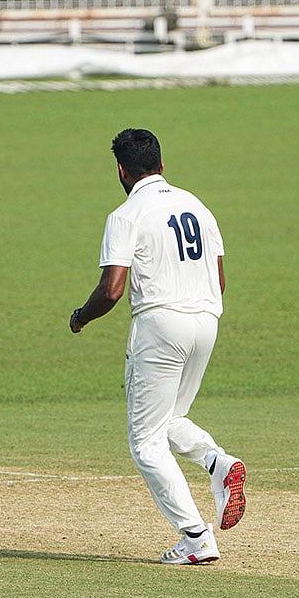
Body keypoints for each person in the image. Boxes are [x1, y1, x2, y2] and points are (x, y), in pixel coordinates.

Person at [69, 128, 246, 564]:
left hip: (161, 324)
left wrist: (79, 317)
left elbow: (112, 289)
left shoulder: (126, 214)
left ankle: (195, 539)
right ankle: (218, 464)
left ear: (121, 170)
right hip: (207, 319)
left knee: (145, 441)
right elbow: (219, 280)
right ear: (162, 166)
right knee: (170, 419)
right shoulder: (198, 206)